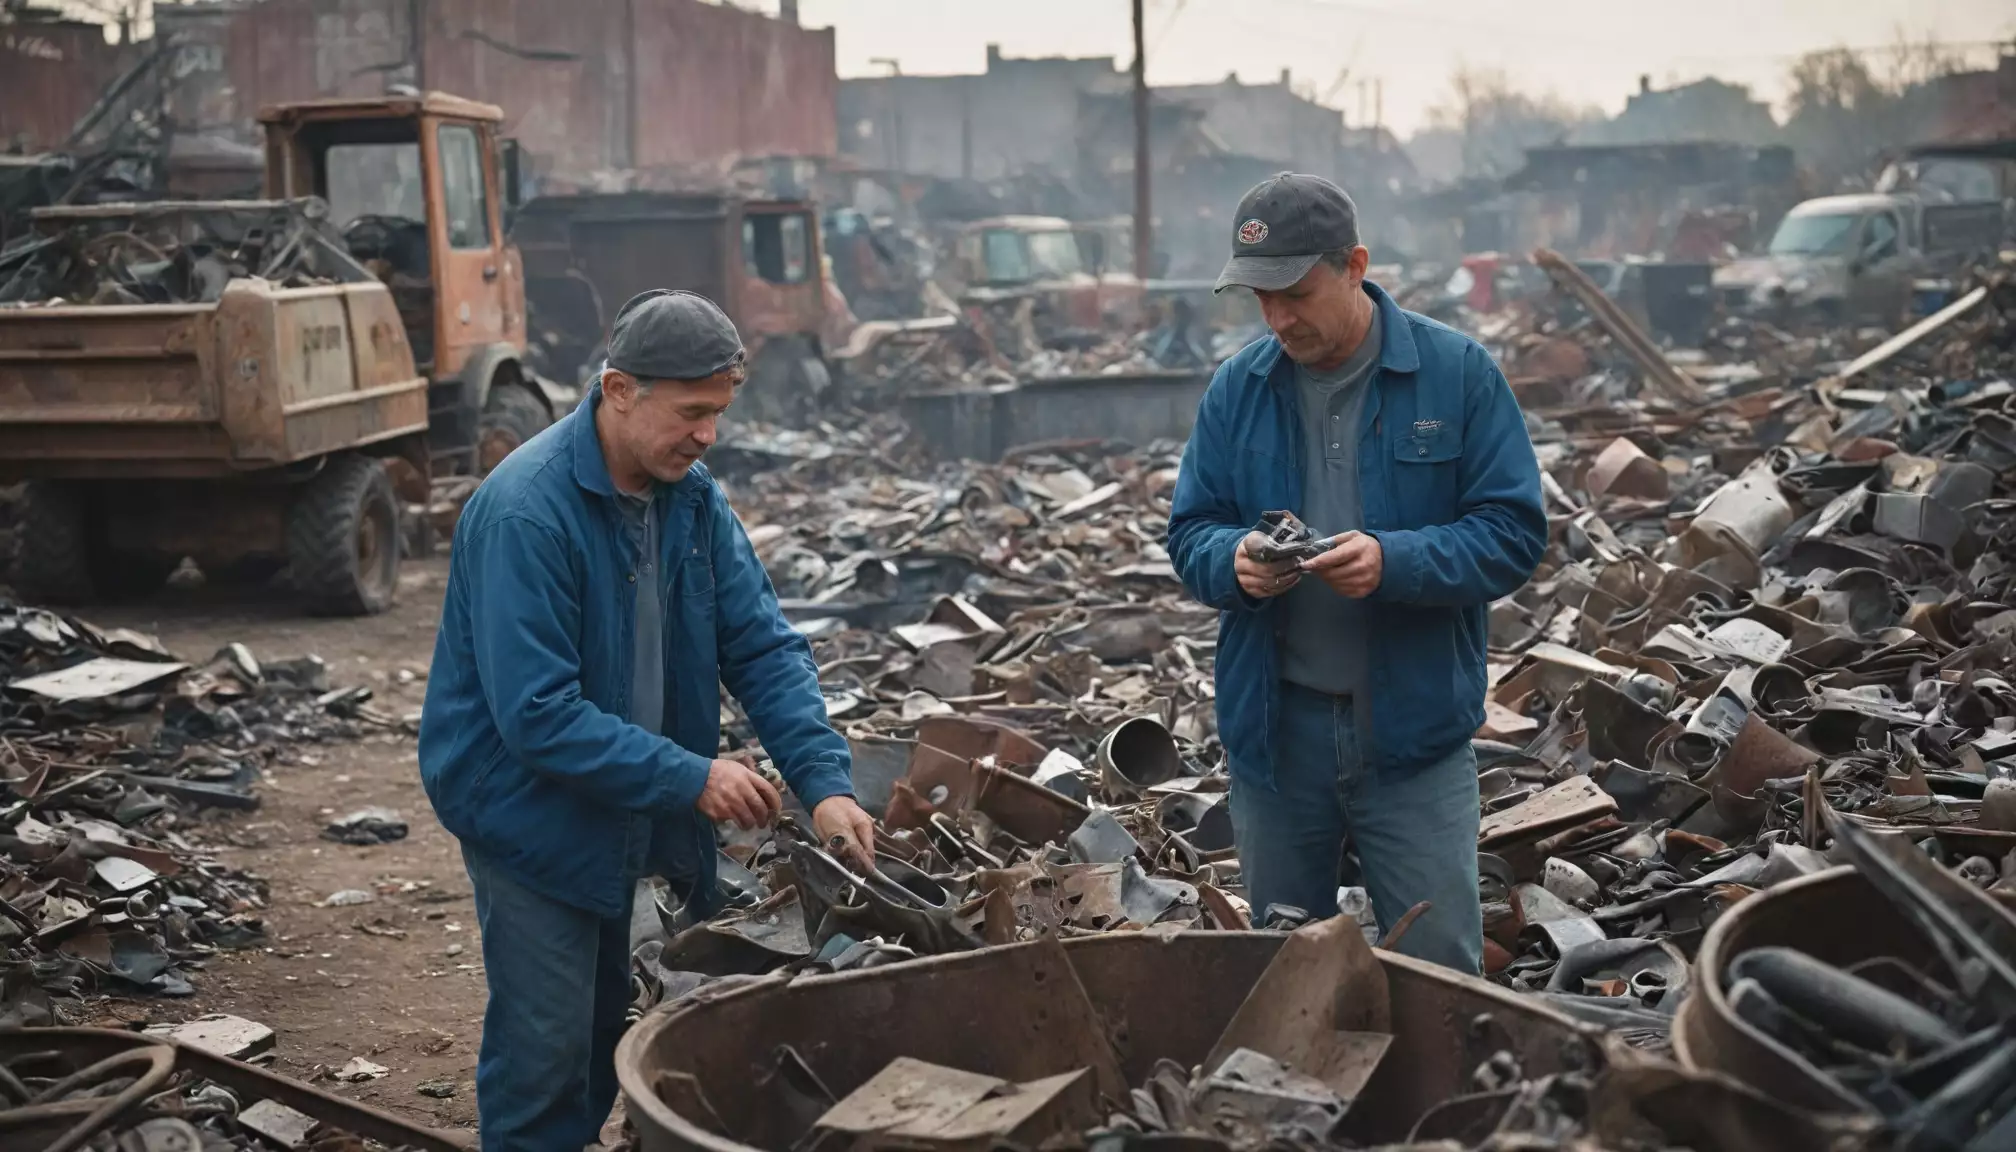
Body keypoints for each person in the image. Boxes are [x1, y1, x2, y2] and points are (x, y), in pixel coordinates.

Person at [419, 289, 876, 1150]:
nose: (709, 434)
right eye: (692, 412)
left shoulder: (690, 499)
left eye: (720, 413)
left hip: (625, 803)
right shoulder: (527, 511)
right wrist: (692, 776)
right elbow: (539, 716)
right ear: (619, 390)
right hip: (529, 811)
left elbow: (764, 649)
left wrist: (824, 784)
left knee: (602, 1033)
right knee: (546, 1053)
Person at [1167, 174, 1546, 973]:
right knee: (1286, 973)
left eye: (1295, 294)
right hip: (1277, 741)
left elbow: (1513, 534)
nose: (1277, 318)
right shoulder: (1238, 390)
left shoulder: (1457, 375)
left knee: (1441, 969)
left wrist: (1395, 560)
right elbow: (1192, 532)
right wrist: (1232, 564)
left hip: (1413, 739)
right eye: (1259, 300)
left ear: (1355, 266)